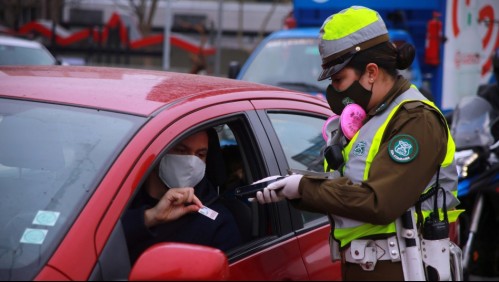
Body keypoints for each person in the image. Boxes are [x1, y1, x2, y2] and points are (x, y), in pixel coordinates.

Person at [254, 6, 461, 281]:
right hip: (365, 267)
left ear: (371, 72)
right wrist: (290, 187)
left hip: (404, 269)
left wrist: (303, 188)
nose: (334, 90)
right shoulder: (365, 120)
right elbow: (344, 184)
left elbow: (379, 200)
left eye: (339, 79)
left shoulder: (416, 120)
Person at [122, 129, 242, 264]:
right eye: (181, 151)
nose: (191, 163)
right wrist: (149, 217)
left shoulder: (218, 221)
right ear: (156, 153)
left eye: (200, 154)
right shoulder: (119, 197)